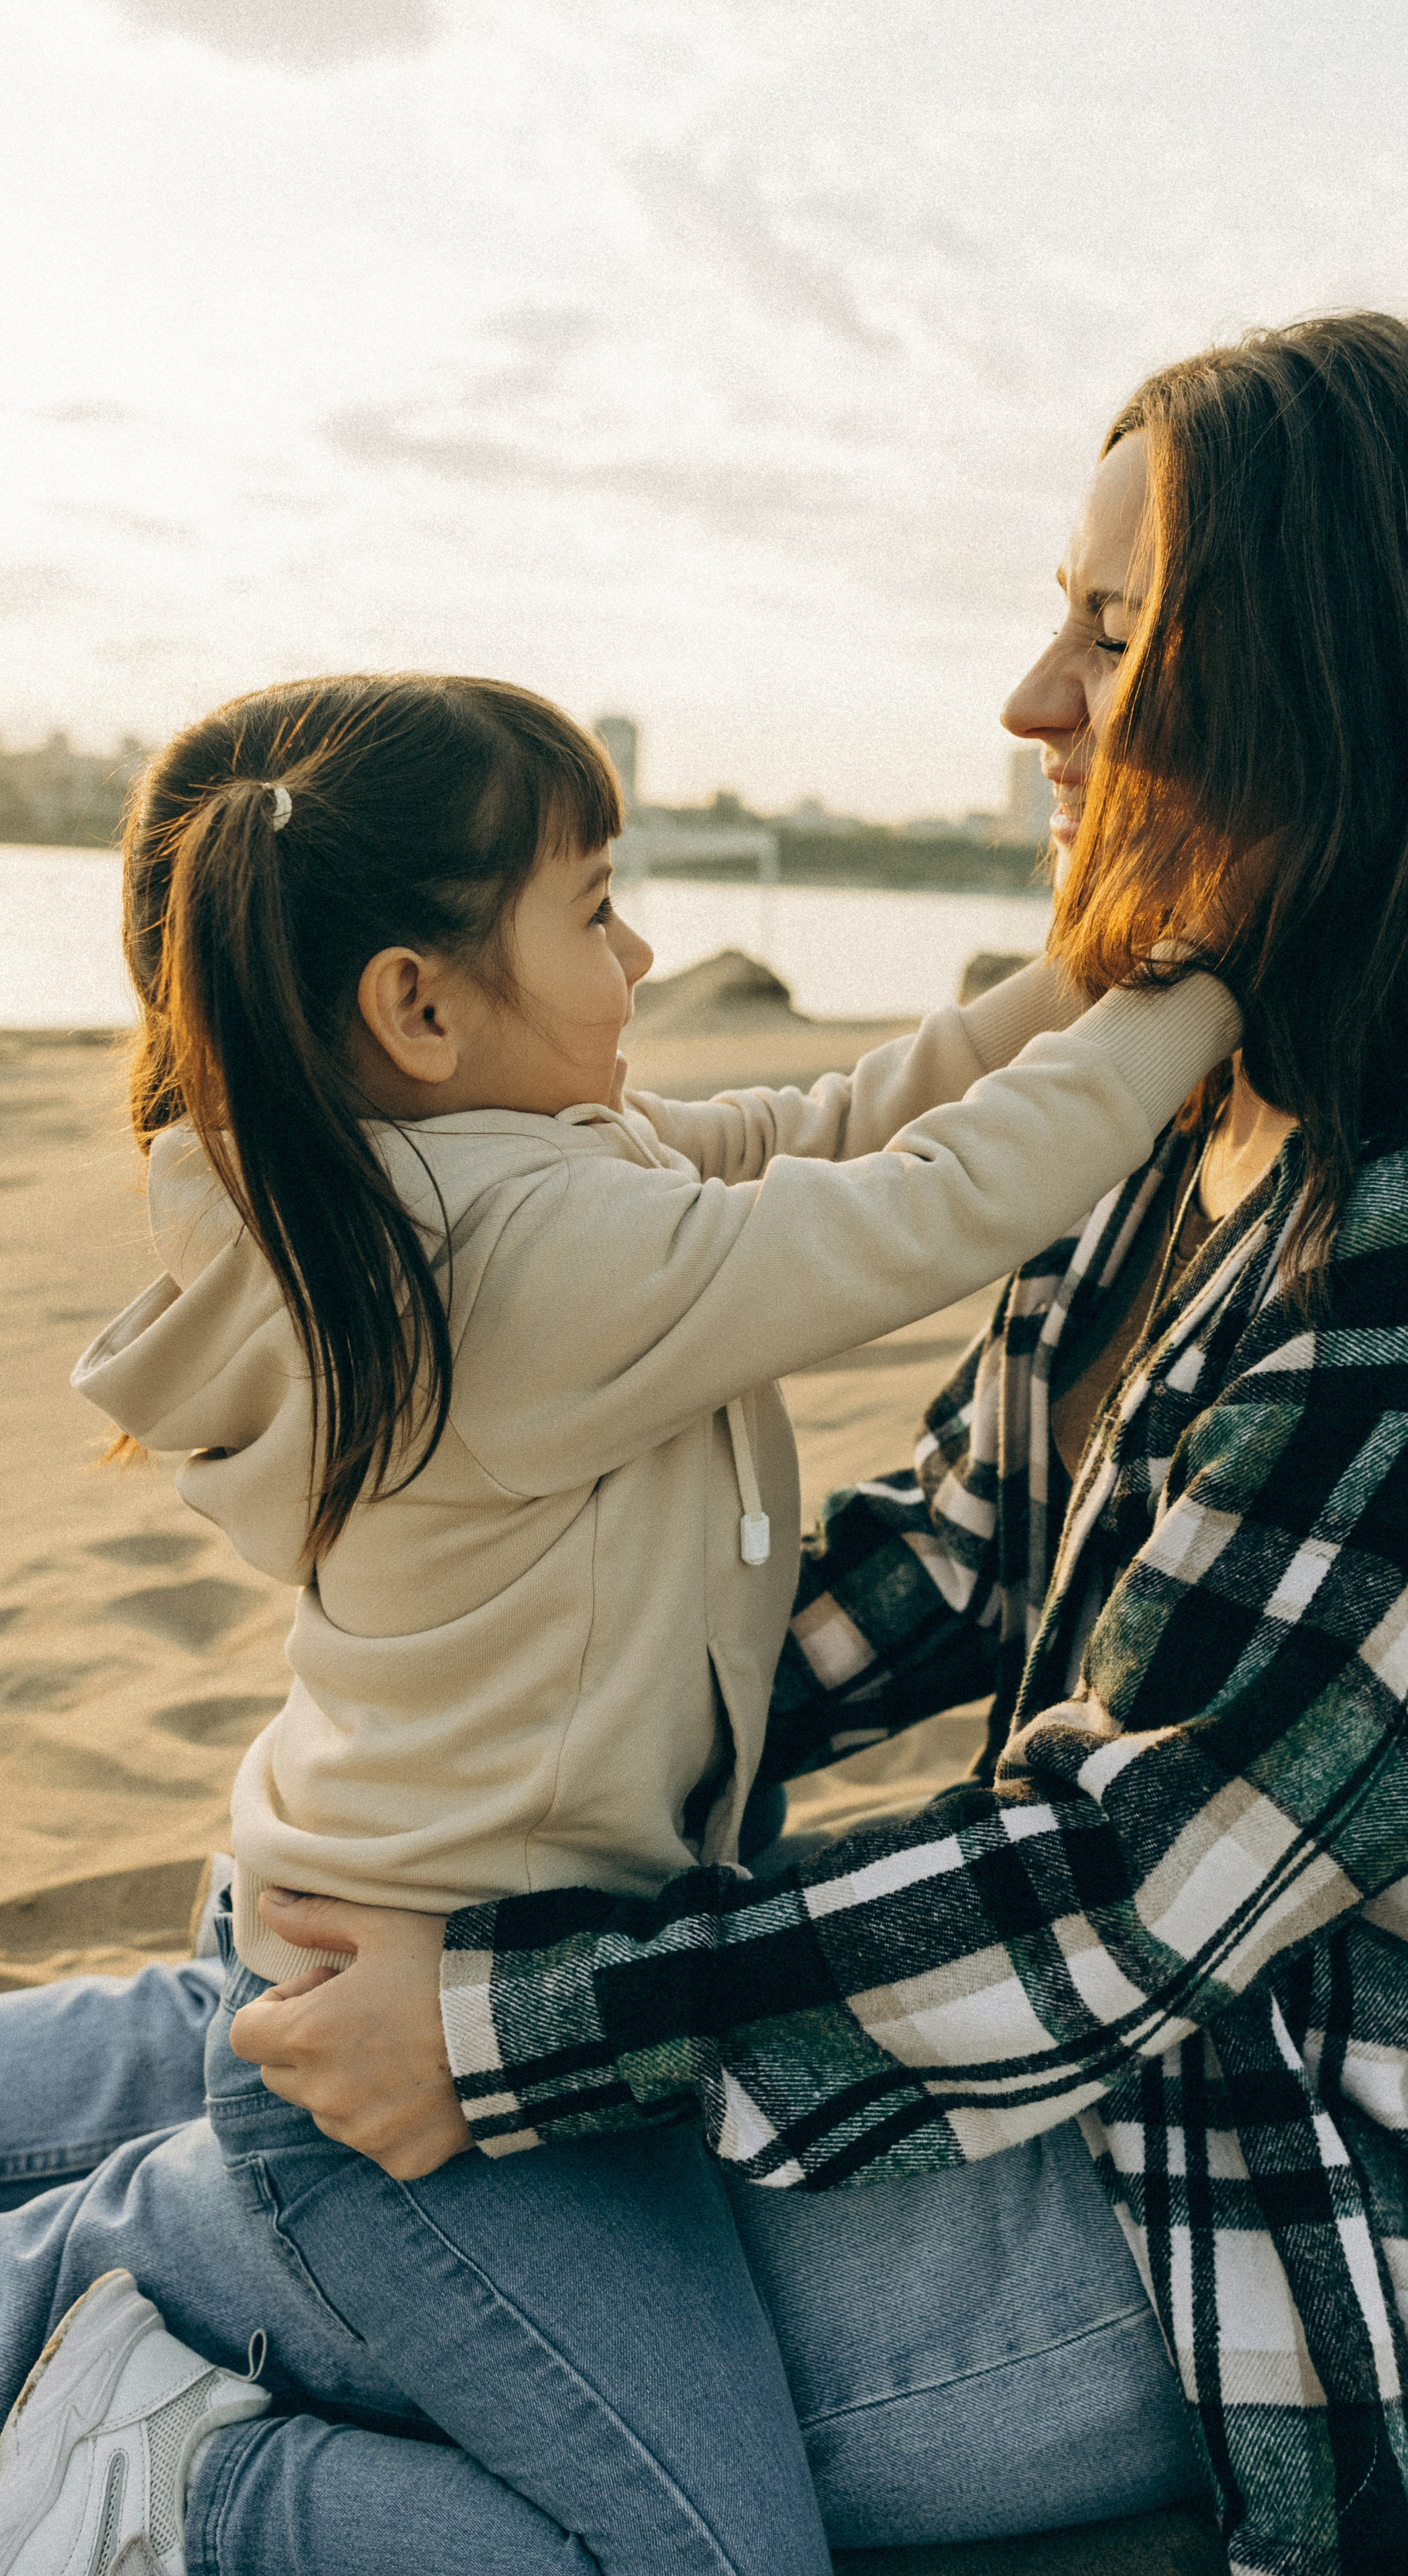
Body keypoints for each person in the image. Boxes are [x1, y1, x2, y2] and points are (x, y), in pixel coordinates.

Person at [3, 310, 1408, 2576]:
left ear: (1343, 688)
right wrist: (534, 1781)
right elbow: (969, 1545)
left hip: (1202, 2197)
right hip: (1012, 2048)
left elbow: (1112, 1889)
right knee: (322, 2016)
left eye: (1116, 635)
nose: (1030, 701)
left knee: (339, 2185)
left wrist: (505, 2015)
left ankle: (146, 2432)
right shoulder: (1209, 1115)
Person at [0, 669, 1237, 2576]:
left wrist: (1083, 969)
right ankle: (175, 2483)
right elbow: (928, 1205)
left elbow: (846, 1116)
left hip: (403, 1920)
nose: (644, 951)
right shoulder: (522, 1261)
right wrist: (1206, 987)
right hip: (452, 2031)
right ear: (418, 1008)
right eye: (593, 911)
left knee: (180, 2063)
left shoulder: (476, 1179)